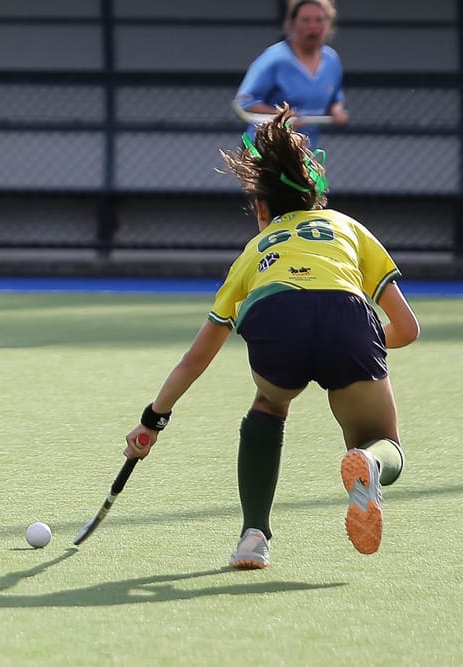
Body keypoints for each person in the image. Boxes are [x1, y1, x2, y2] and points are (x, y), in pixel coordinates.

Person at [123, 105, 419, 569]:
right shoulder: (345, 227)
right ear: (315, 197)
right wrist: (359, 341)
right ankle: (371, 466)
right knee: (383, 441)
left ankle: (253, 539)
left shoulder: (253, 252)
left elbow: (196, 357)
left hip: (276, 318)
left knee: (268, 405)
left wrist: (153, 419)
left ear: (261, 208)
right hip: (348, 319)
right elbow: (407, 328)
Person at [234, 0, 349, 149]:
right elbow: (245, 101)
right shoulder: (275, 57)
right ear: (292, 23)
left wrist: (337, 111)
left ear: (329, 24)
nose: (313, 26)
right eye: (305, 20)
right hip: (266, 150)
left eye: (319, 20)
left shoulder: (331, 60)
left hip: (303, 151)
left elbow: (335, 98)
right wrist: (283, 116)